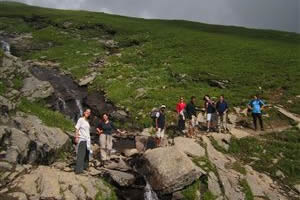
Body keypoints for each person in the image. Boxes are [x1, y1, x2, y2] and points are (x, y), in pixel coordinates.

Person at [74, 109, 92, 174]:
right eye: (87, 111)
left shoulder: (87, 121)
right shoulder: (81, 119)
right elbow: (77, 128)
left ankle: (85, 167)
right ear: (84, 112)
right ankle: (79, 170)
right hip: (82, 139)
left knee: (86, 154)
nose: (88, 113)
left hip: (87, 140)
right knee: (81, 154)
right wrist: (76, 137)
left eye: (89, 112)